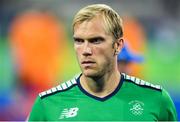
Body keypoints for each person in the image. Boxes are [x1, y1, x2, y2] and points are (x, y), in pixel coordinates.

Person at [28, 4, 177, 121]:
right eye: (79, 41)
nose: (86, 50)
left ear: (117, 46)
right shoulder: (47, 104)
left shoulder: (157, 100)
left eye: (96, 40)